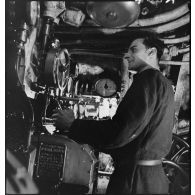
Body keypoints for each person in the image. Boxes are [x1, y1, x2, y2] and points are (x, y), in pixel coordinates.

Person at [52, 30, 175, 194]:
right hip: (150, 179)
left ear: (151, 52)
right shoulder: (163, 84)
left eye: (134, 49)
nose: (127, 55)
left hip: (134, 181)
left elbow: (121, 132)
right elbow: (131, 135)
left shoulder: (148, 80)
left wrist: (73, 124)